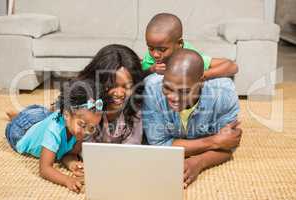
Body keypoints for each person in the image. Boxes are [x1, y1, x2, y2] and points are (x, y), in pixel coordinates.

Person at [142, 49, 242, 188]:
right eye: (167, 88)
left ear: (201, 81)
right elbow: (159, 145)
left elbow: (228, 144)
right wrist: (214, 141)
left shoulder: (224, 94)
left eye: (184, 91)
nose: (174, 98)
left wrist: (199, 162)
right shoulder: (151, 89)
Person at [62, 44, 146, 177]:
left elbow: (132, 148)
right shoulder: (88, 109)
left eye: (127, 86)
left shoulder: (135, 109)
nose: (119, 93)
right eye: (111, 86)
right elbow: (73, 150)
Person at [5, 79, 104, 193]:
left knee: (44, 113)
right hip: (22, 130)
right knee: (23, 119)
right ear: (66, 115)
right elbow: (44, 168)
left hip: (45, 117)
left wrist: (71, 163)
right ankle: (17, 116)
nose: (86, 132)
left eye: (91, 128)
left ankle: (32, 113)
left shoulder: (79, 130)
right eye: (82, 125)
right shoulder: (54, 130)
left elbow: (68, 153)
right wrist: (67, 180)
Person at [142, 13, 238, 79]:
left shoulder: (189, 56)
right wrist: (151, 69)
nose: (155, 55)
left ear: (180, 44)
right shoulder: (151, 56)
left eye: (162, 49)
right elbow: (138, 74)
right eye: (150, 48)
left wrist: (201, 76)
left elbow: (232, 66)